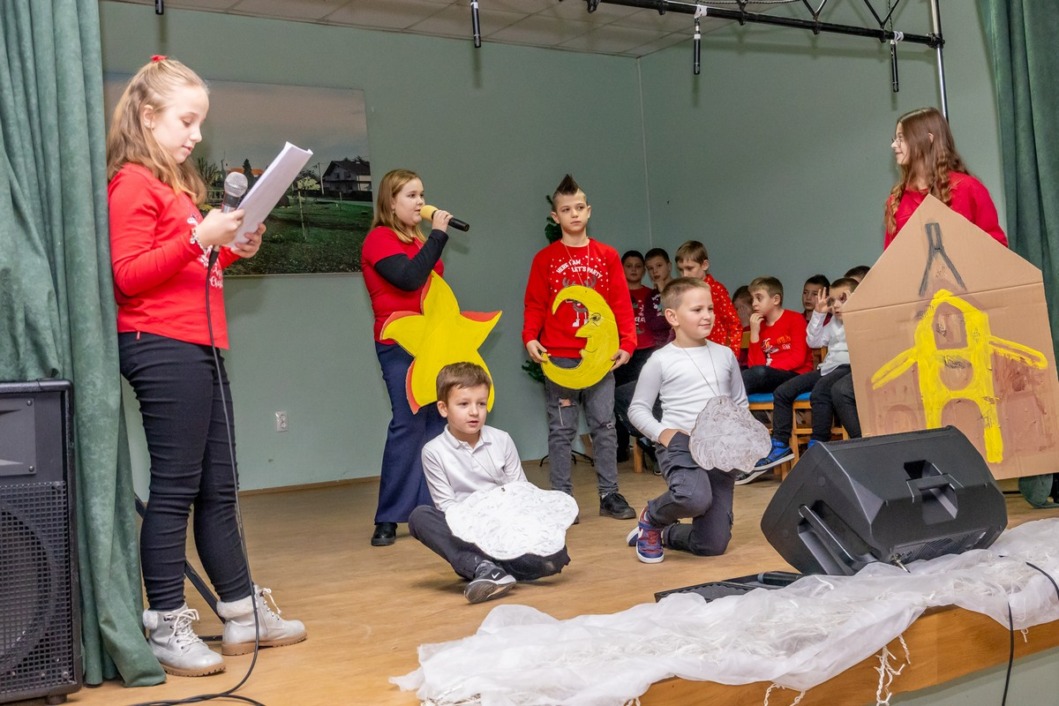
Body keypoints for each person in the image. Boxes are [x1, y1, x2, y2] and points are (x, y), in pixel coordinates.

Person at [107, 56, 305, 677]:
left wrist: (230, 248)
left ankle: (242, 612)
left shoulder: (176, 189)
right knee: (175, 487)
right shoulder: (131, 183)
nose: (197, 134)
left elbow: (192, 268)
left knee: (219, 487)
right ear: (148, 116)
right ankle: (165, 621)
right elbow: (127, 276)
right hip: (159, 343)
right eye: (187, 121)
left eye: (200, 123)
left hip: (200, 342)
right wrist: (199, 238)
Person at [523, 174, 637, 520]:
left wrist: (628, 342)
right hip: (559, 356)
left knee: (604, 426)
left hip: (601, 357)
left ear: (588, 211)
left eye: (579, 208)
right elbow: (535, 303)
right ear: (555, 216)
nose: (573, 214)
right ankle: (562, 500)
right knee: (562, 429)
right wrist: (530, 337)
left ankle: (609, 494)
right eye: (566, 209)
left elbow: (620, 303)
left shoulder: (606, 255)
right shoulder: (545, 259)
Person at [408, 363, 571, 604]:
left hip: (507, 527)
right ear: (443, 408)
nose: (474, 412)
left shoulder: (501, 440)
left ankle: (488, 568)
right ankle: (482, 566)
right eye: (464, 404)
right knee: (420, 517)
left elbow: (521, 492)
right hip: (467, 532)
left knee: (556, 556)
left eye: (481, 404)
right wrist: (480, 524)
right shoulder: (433, 451)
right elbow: (446, 506)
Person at [361, 169, 456, 547]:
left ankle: (427, 510)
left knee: (435, 421)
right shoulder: (379, 239)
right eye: (412, 195)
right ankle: (388, 516)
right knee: (408, 422)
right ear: (391, 202)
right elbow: (409, 278)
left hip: (432, 344)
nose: (421, 202)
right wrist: (438, 235)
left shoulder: (417, 240)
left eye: (422, 194)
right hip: (397, 343)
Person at [626, 277, 745, 562]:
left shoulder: (725, 355)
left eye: (710, 309)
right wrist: (663, 434)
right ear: (672, 317)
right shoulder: (660, 360)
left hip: (719, 449)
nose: (707, 316)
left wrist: (740, 438)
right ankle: (652, 517)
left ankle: (666, 534)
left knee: (712, 545)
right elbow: (637, 409)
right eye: (697, 310)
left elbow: (739, 402)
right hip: (681, 444)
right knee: (693, 497)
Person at [746, 278, 860, 480]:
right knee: (783, 392)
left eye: (842, 299)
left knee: (821, 391)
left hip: (847, 367)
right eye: (832, 301)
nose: (836, 305)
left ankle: (817, 444)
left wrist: (854, 310)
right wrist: (819, 313)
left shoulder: (860, 319)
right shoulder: (833, 322)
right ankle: (780, 445)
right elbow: (814, 341)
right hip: (827, 368)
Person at [885, 106, 1007, 249]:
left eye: (901, 138)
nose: (894, 145)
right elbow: (892, 259)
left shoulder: (968, 188)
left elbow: (997, 248)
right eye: (895, 139)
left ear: (928, 139)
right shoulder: (896, 201)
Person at [614, 250, 659, 461]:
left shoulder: (651, 294)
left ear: (643, 270)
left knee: (646, 399)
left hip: (646, 352)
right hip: (621, 353)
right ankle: (621, 447)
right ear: (622, 268)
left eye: (638, 266)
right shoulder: (615, 294)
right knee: (617, 398)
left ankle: (650, 442)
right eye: (629, 266)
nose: (633, 269)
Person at [742, 276, 814, 394]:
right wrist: (754, 334)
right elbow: (754, 366)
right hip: (767, 375)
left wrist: (768, 369)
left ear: (776, 299)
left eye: (759, 298)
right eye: (752, 299)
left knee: (758, 373)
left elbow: (798, 358)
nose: (754, 304)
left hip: (795, 375)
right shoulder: (758, 325)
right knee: (739, 375)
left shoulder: (795, 319)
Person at [673, 240, 742, 358]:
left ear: (704, 265)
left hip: (716, 353)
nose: (685, 275)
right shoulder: (683, 293)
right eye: (681, 269)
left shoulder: (716, 290)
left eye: (689, 268)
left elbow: (734, 324)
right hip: (692, 353)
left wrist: (732, 356)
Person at [731, 285, 752, 369]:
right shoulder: (735, 327)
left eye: (742, 309)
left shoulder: (761, 325)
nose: (738, 313)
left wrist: (746, 326)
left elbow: (746, 354)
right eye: (736, 309)